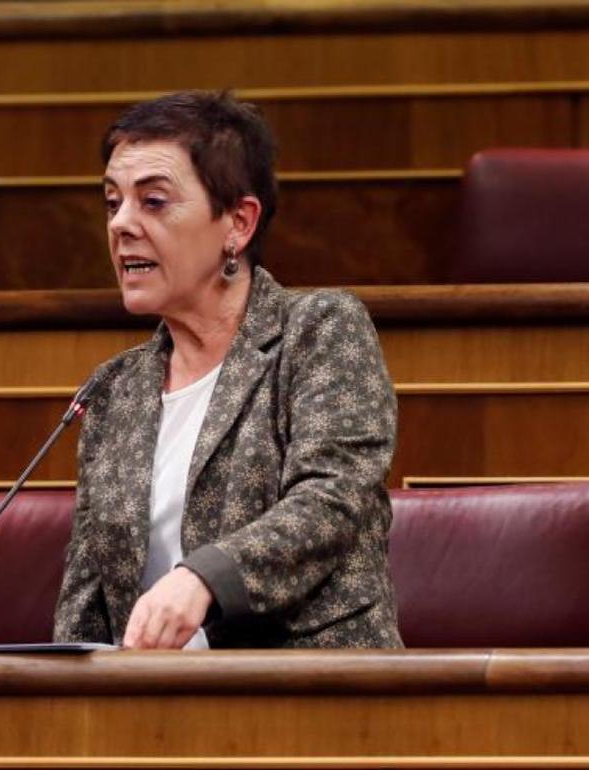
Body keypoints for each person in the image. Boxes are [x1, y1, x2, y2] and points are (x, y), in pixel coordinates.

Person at [53, 91, 402, 649]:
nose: (121, 224)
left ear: (237, 223)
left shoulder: (318, 331)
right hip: (153, 716)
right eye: (113, 202)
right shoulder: (115, 390)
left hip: (313, 699)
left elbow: (331, 501)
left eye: (154, 202)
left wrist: (203, 578)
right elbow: (86, 597)